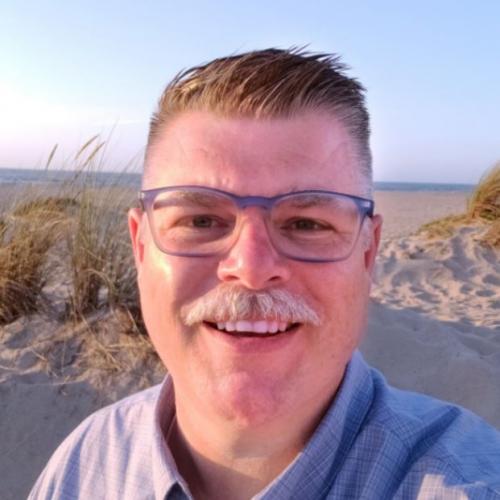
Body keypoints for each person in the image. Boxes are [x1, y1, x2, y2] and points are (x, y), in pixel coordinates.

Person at [29, 48, 500, 500]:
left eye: (307, 224)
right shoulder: (87, 463)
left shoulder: (468, 485)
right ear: (140, 247)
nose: (251, 269)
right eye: (201, 221)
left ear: (367, 254)